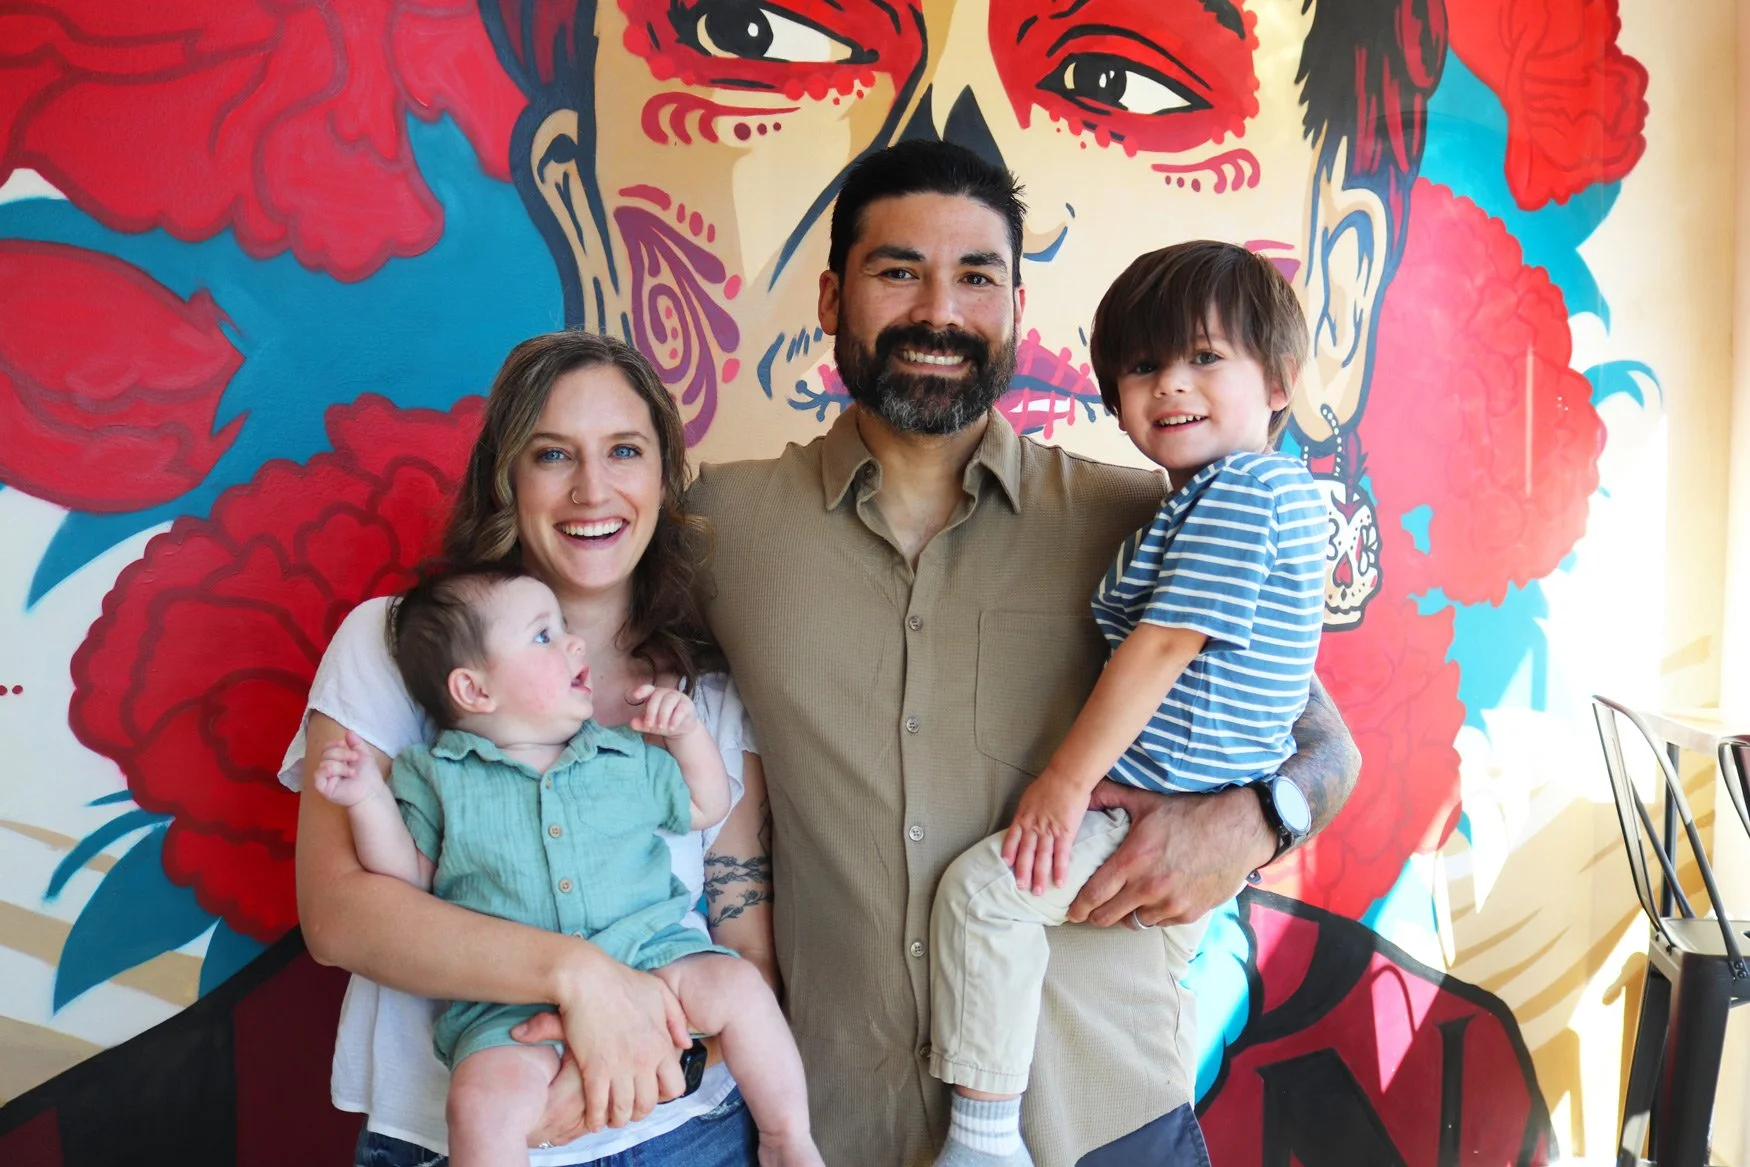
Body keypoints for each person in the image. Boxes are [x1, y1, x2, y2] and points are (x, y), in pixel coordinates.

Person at [680, 140, 1362, 1165]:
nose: (939, 312)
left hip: (1100, 1117)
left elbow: (1325, 744)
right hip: (834, 1123)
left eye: (976, 278)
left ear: (1015, 306)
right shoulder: (719, 526)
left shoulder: (1140, 518)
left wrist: (1253, 822)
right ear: (831, 297)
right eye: (898, 270)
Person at [283, 330, 778, 1166]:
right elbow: (339, 916)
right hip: (452, 1135)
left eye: (625, 450)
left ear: (663, 475)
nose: (593, 489)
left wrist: (644, 1072)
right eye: (553, 454)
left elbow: (744, 949)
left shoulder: (707, 694)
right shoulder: (399, 644)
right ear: (507, 476)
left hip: (686, 1134)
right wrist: (577, 975)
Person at [924, 241, 1326, 1167]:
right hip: (1184, 788)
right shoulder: (1218, 498)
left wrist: (1066, 782)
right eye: (1143, 366)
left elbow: (1163, 644)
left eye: (1204, 357)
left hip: (1165, 793)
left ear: (1281, 381)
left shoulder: (1244, 493)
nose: (1171, 385)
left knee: (986, 896)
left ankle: (983, 1142)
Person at [309, 567, 821, 1166]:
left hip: (652, 963)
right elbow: (405, 876)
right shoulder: (438, 776)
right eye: (544, 636)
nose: (573, 642)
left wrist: (685, 735)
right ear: (475, 691)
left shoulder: (620, 751)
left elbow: (705, 804)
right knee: (478, 1103)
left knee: (739, 990)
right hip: (506, 1006)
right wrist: (368, 800)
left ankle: (787, 1138)